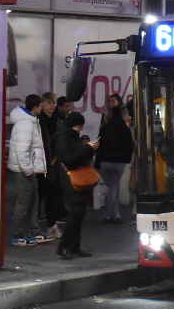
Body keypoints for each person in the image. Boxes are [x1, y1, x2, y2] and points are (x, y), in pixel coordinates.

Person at [54, 112, 98, 259]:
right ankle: (64, 246)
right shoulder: (63, 138)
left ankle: (74, 246)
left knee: (78, 212)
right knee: (75, 212)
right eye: (80, 126)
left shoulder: (69, 137)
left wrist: (89, 149)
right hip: (70, 179)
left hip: (75, 178)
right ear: (75, 125)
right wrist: (87, 149)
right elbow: (70, 160)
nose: (81, 129)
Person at [7, 94, 47, 245]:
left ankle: (31, 232)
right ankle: (18, 235)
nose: (42, 108)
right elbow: (22, 151)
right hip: (24, 171)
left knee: (31, 200)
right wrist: (29, 170)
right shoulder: (26, 124)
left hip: (28, 170)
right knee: (23, 202)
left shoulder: (28, 122)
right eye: (41, 106)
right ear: (35, 107)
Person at [96, 95, 134, 225]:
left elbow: (98, 145)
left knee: (112, 187)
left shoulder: (104, 128)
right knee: (114, 187)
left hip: (105, 162)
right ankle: (111, 215)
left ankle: (114, 214)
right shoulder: (125, 129)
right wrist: (127, 159)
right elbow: (130, 145)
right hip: (119, 162)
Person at [38, 91, 63, 240]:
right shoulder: (40, 120)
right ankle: (41, 226)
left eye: (53, 102)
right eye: (49, 102)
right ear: (42, 104)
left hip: (54, 162)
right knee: (41, 195)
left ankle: (51, 226)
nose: (52, 105)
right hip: (44, 162)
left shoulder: (57, 120)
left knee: (52, 195)